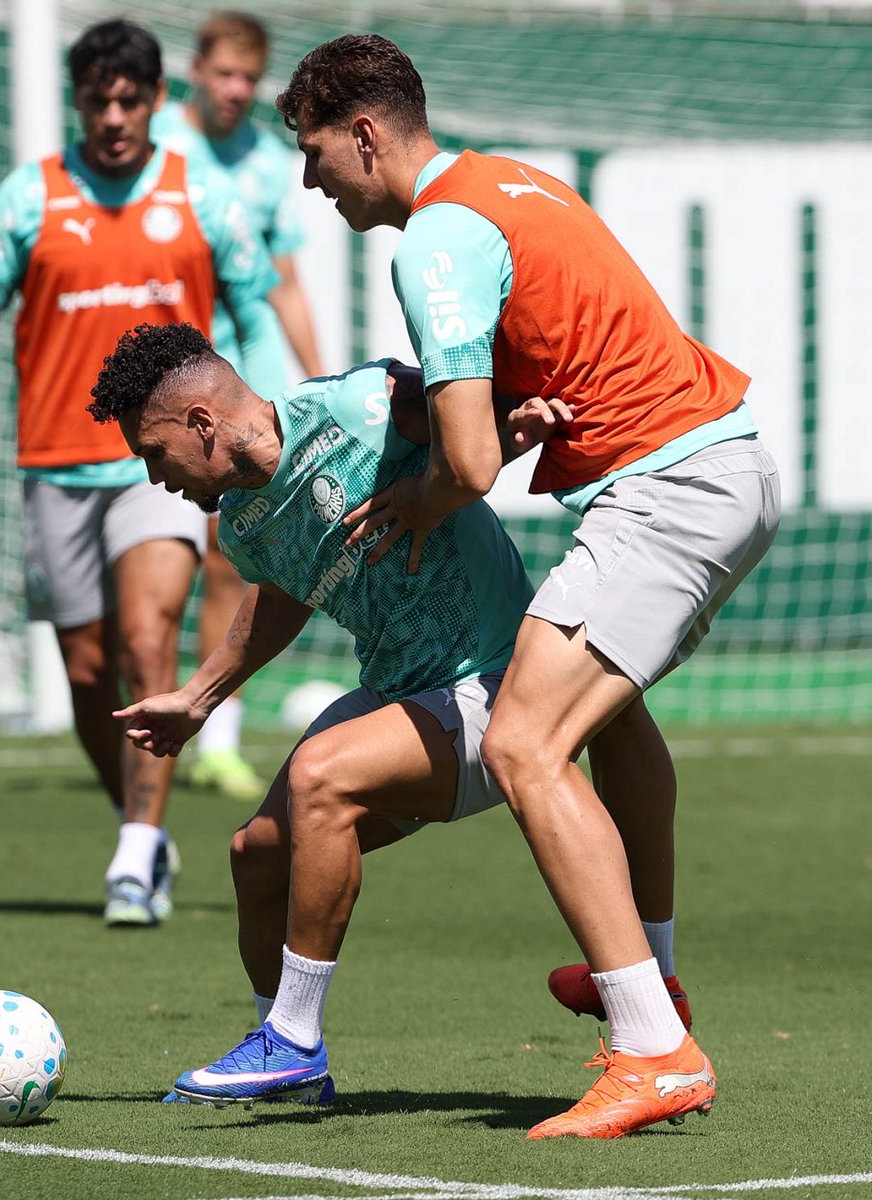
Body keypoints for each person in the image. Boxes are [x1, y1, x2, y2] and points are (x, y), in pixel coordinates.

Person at [276, 34, 781, 1138]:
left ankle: (652, 1047)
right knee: (612, 712)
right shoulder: (507, 180)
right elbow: (523, 385)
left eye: (315, 153)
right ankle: (651, 977)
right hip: (723, 463)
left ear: (365, 133)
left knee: (520, 742)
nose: (310, 180)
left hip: (671, 487)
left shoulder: (437, 239)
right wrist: (507, 420)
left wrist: (410, 507)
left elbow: (460, 467)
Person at [87, 320, 543, 1106]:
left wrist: (519, 426)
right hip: (406, 696)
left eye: (154, 454)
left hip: (501, 690)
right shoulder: (241, 527)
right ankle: (290, 1071)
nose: (156, 479)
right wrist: (198, 700)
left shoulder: (360, 406)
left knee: (320, 775)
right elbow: (284, 595)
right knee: (256, 854)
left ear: (202, 424)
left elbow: (478, 420)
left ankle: (292, 1039)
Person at [0, 19, 286, 928]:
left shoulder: (201, 198)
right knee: (87, 676)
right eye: (98, 100)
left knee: (146, 639)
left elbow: (255, 307)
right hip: (53, 464)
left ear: (157, 100)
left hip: (154, 472)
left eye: (131, 99)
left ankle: (129, 861)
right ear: (79, 102)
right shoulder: (29, 198)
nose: (115, 116)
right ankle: (144, 827)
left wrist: (273, 420)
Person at [152, 11, 325, 802]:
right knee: (146, 585)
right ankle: (145, 714)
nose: (236, 91)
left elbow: (281, 280)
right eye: (224, 74)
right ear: (195, 69)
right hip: (155, 397)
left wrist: (315, 376)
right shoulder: (154, 143)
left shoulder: (263, 161)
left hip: (233, 388)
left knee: (235, 551)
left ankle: (217, 738)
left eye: (250, 80)